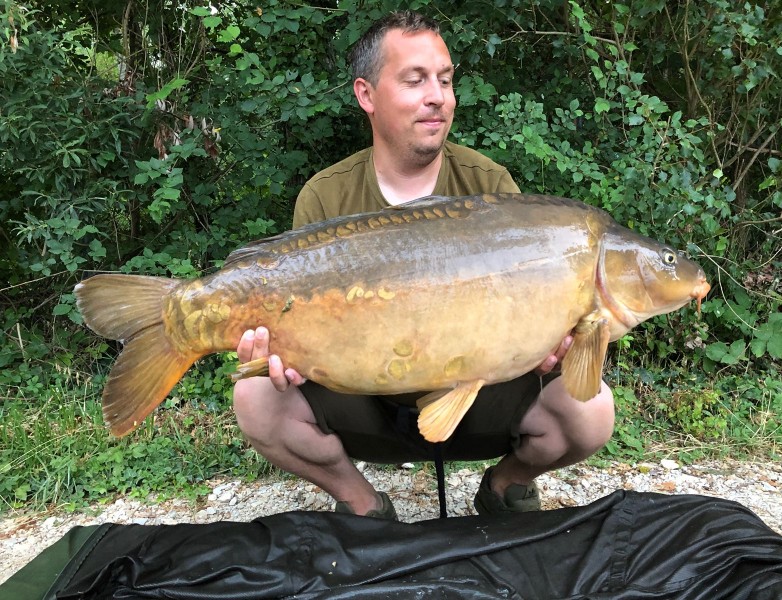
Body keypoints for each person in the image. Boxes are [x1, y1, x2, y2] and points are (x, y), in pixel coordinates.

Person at [233, 11, 615, 518]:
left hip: (478, 397)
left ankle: (505, 486)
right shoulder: (326, 196)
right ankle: (364, 504)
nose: (438, 95)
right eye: (415, 80)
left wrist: (552, 343)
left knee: (590, 411)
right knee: (256, 398)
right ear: (366, 95)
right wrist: (279, 350)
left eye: (446, 79)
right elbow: (299, 326)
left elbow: (532, 312)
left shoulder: (491, 186)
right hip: (366, 401)